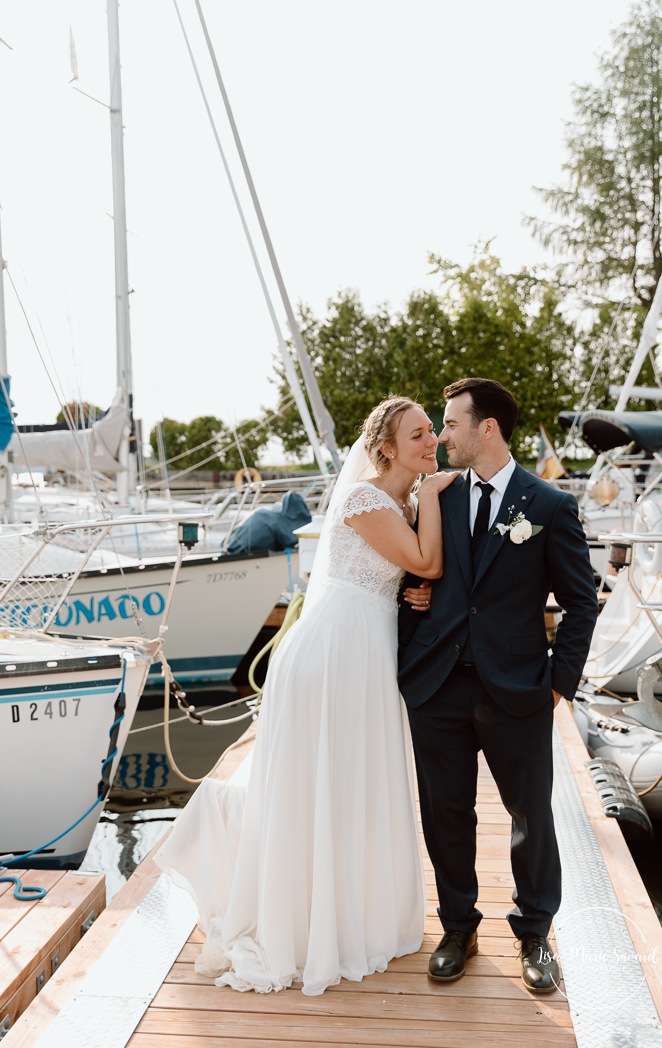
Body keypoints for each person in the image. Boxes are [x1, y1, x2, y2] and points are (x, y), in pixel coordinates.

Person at [155, 396, 456, 996]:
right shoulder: (367, 499)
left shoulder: (402, 501)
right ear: (387, 448)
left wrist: (414, 587)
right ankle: (304, 922)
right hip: (332, 653)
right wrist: (431, 499)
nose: (432, 441)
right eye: (419, 434)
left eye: (433, 431)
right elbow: (427, 561)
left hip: (370, 650)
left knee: (354, 779)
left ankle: (353, 912)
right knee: (320, 782)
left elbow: (411, 575)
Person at [398, 377, 598, 994]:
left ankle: (534, 932)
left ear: (487, 428)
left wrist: (559, 684)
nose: (442, 436)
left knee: (530, 816)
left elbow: (581, 603)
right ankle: (458, 928)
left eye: (451, 424)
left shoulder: (550, 506)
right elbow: (409, 579)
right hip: (437, 687)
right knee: (445, 814)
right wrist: (413, 609)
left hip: (518, 689)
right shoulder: (435, 496)